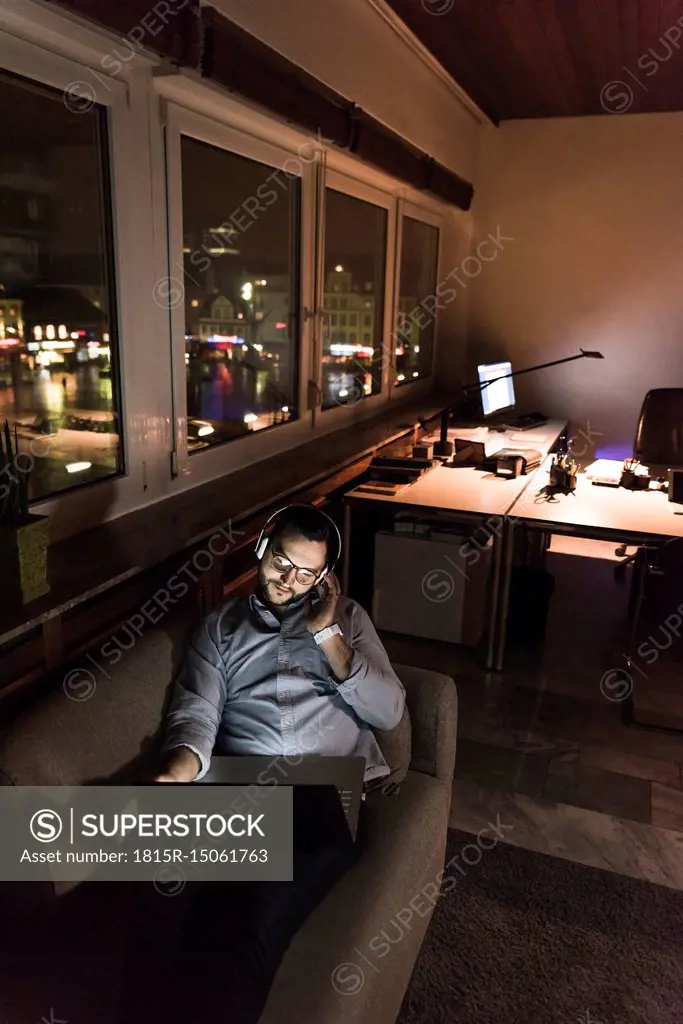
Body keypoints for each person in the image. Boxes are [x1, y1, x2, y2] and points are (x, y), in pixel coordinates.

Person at [120, 504, 405, 1024]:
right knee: (156, 891)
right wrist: (175, 774)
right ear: (261, 549)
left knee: (253, 919)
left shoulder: (348, 620)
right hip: (244, 790)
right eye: (280, 562)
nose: (288, 580)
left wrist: (327, 637)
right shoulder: (219, 629)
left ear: (324, 578)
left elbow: (389, 712)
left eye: (306, 573)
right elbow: (197, 714)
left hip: (324, 794)